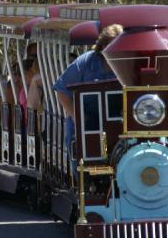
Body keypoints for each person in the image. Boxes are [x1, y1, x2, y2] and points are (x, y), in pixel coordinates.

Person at [53, 24, 124, 173]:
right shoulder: (85, 62)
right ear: (103, 45)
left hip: (116, 125)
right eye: (114, 45)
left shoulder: (126, 64)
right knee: (83, 167)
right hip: (86, 126)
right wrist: (76, 116)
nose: (118, 49)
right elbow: (61, 90)